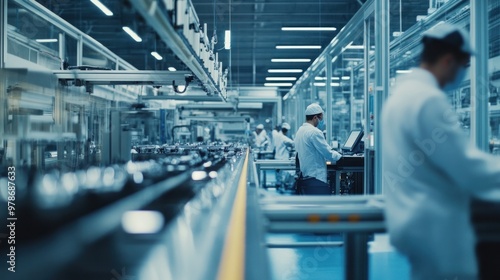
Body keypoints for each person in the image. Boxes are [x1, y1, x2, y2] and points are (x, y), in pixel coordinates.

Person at [381, 22, 500, 280]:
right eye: (463, 66)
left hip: (412, 217)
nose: (462, 74)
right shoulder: (427, 100)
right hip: (433, 222)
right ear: (448, 61)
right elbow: (466, 166)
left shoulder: (402, 95)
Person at [294, 104, 342, 195]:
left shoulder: (300, 130)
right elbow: (328, 153)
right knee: (321, 207)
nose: (322, 122)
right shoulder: (314, 132)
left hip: (306, 176)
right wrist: (341, 156)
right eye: (321, 119)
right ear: (315, 117)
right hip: (316, 178)